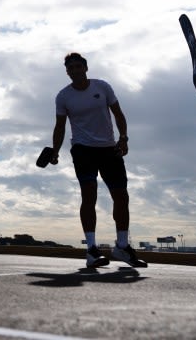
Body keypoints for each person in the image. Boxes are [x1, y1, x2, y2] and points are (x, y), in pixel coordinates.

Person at [49, 52, 147, 268]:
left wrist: (123, 138)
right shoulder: (63, 96)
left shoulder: (102, 87)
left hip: (109, 149)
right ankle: (92, 250)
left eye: (77, 66)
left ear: (85, 68)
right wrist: (55, 151)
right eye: (70, 68)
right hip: (83, 149)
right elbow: (60, 126)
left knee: (121, 196)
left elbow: (119, 115)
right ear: (67, 72)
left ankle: (122, 246)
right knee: (89, 195)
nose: (74, 70)